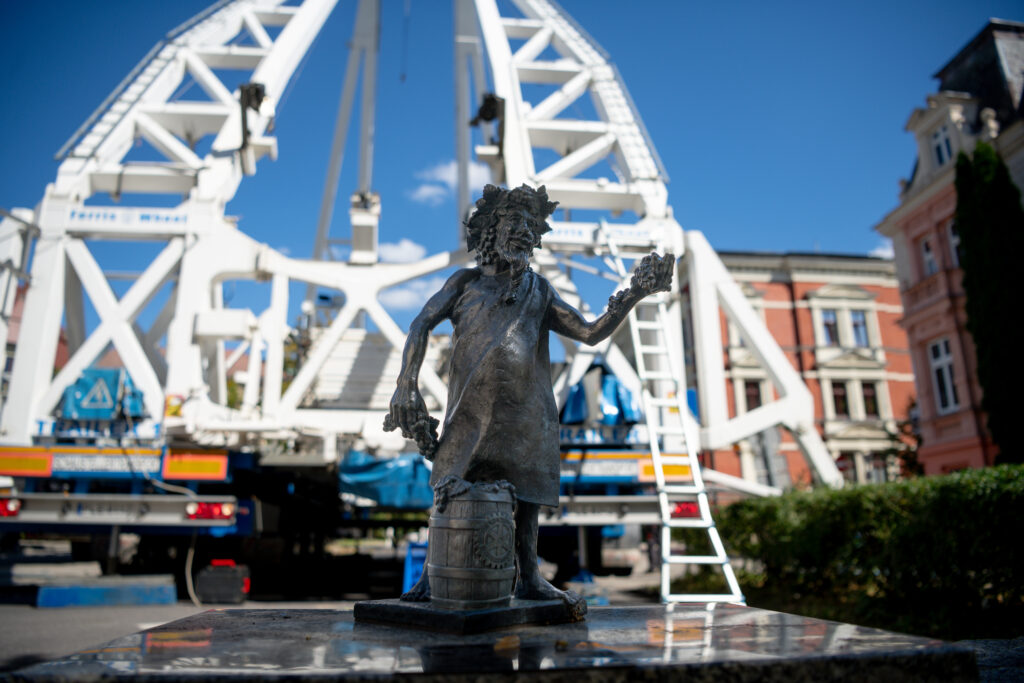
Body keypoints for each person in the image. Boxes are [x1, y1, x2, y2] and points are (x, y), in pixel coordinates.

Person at [387, 183, 673, 604]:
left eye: (530, 226)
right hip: (469, 410)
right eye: (514, 221)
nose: (523, 230)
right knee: (448, 489)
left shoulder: (539, 289)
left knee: (528, 499)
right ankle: (432, 576)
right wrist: (406, 382)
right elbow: (420, 323)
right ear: (491, 229)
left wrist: (634, 293)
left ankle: (530, 577)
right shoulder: (465, 282)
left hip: (527, 412)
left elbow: (589, 333)